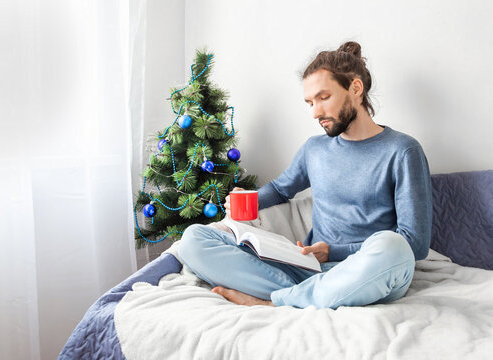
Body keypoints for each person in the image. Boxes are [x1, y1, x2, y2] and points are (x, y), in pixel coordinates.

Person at [178, 41, 432, 309]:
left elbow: (414, 243)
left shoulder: (403, 151)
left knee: (393, 246)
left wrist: (334, 252)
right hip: (310, 267)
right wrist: (251, 201)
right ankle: (307, 295)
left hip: (368, 272)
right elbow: (280, 190)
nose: (315, 112)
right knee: (194, 238)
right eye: (310, 102)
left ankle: (276, 300)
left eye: (324, 98)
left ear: (355, 88)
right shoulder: (315, 149)